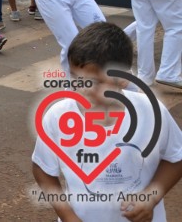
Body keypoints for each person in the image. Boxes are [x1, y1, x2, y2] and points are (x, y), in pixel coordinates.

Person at [33, 22, 182, 222]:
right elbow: (42, 168)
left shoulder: (151, 112)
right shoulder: (58, 116)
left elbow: (176, 156)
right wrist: (68, 216)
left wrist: (151, 198)